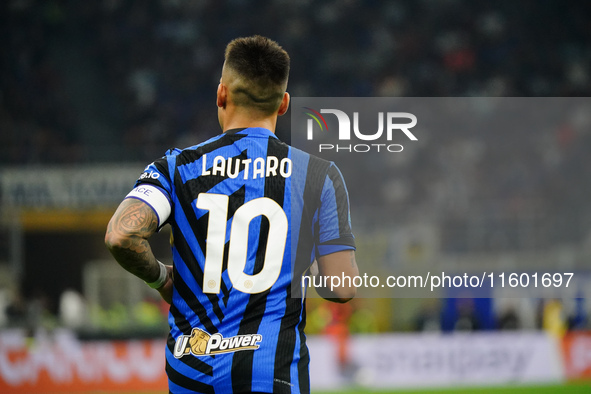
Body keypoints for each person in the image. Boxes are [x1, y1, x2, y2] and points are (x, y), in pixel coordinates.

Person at [105, 35, 358, 394]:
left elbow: (121, 235)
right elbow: (341, 287)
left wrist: (162, 279)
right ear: (283, 104)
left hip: (191, 369)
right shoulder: (319, 176)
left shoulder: (175, 168)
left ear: (221, 94)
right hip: (271, 372)